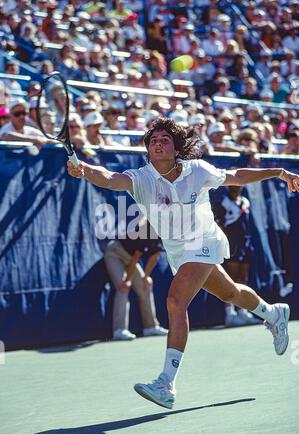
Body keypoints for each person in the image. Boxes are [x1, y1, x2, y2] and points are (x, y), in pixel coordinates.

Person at [67, 118, 299, 409]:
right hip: (179, 251)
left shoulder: (197, 170)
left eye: (165, 139)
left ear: (176, 147)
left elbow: (236, 175)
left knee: (176, 302)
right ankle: (273, 313)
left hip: (205, 241)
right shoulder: (141, 178)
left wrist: (279, 171)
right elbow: (109, 178)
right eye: (153, 141)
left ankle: (166, 382)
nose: (158, 143)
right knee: (230, 293)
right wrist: (84, 169)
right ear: (148, 150)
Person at [104, 217, 168, 340]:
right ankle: (119, 330)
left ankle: (150, 327)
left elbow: (154, 258)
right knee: (123, 287)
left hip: (131, 259)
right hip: (115, 253)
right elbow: (135, 258)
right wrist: (127, 280)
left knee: (146, 285)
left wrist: (145, 277)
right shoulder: (142, 235)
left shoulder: (161, 236)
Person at [213, 185, 260, 327]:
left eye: (239, 184)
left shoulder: (245, 201)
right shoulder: (223, 202)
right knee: (231, 279)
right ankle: (230, 313)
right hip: (231, 244)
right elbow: (218, 224)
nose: (237, 186)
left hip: (245, 243)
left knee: (243, 278)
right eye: (233, 184)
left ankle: (242, 311)